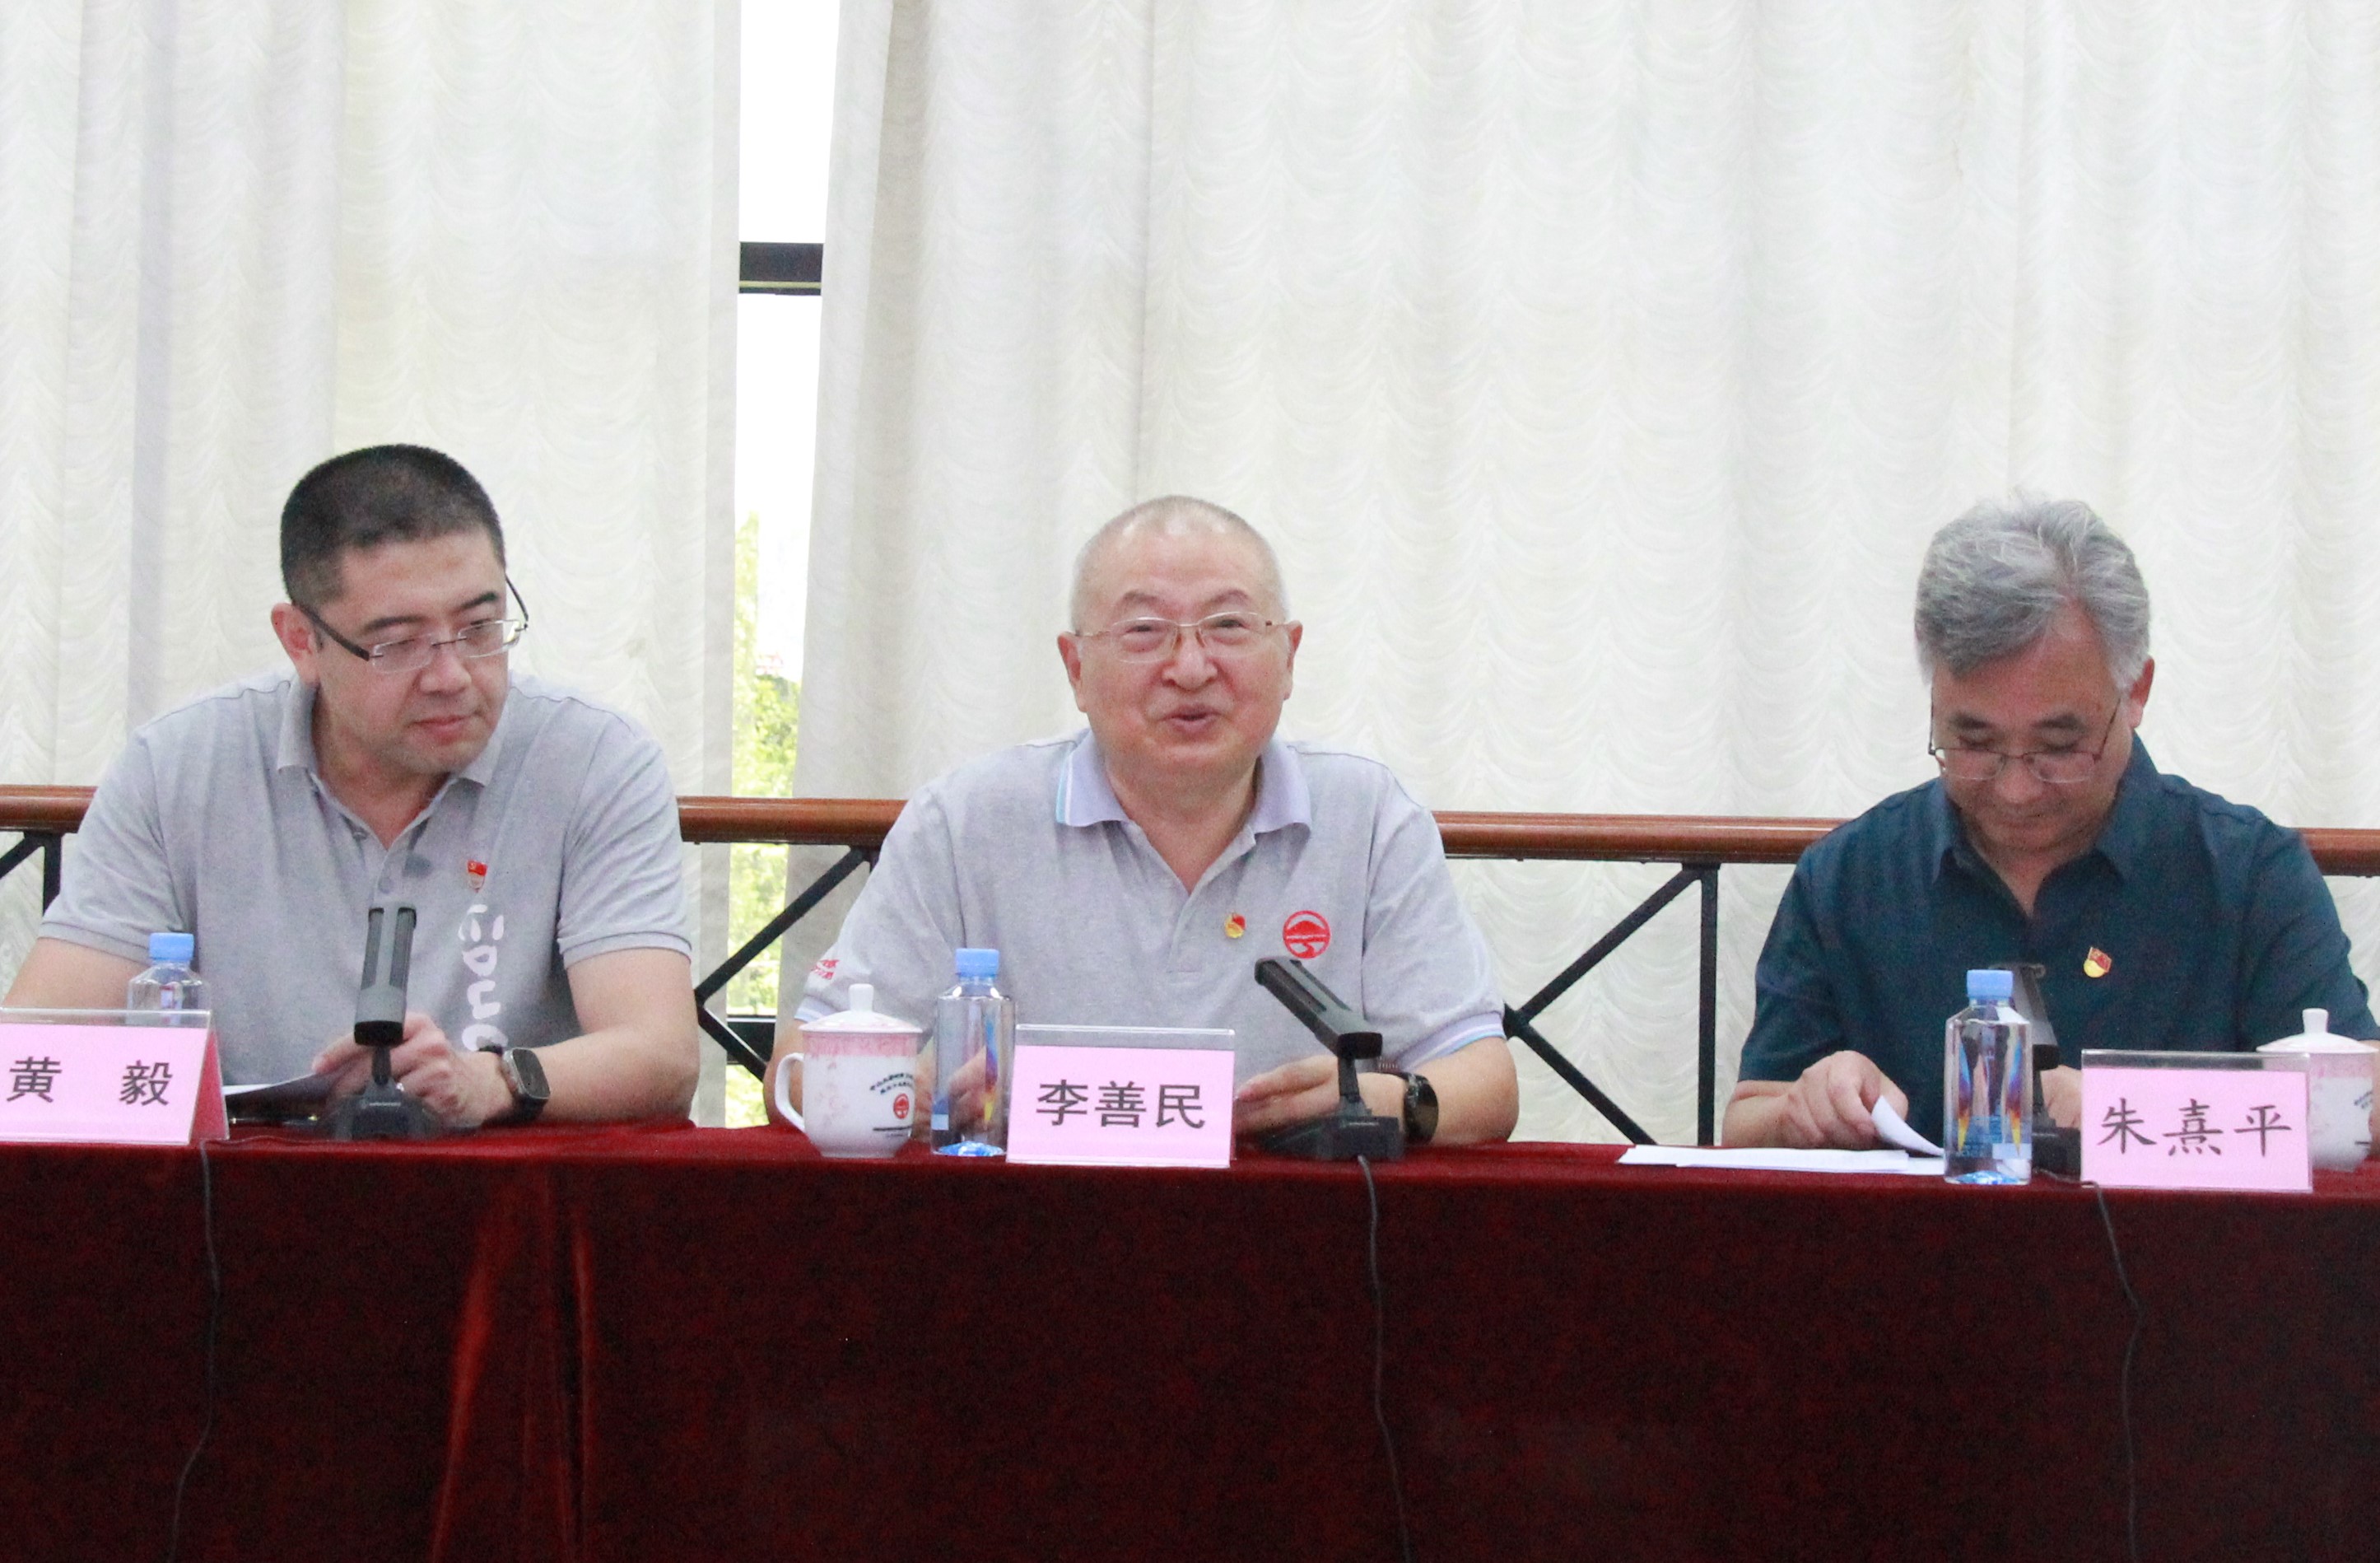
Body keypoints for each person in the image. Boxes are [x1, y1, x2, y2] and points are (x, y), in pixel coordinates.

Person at [774, 496, 1519, 1145]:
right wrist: (910, 1093)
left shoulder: (1369, 817)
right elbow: (800, 1067)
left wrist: (1390, 1100)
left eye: (1228, 625)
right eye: (1143, 632)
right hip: (1026, 1227)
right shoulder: (966, 820)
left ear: (1289, 656)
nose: (1190, 668)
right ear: (1075, 669)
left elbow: (1485, 1083)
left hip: (1298, 1230)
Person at [4, 445, 698, 1127]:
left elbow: (660, 1056)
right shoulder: (179, 765)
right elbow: (37, 1046)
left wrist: (490, 1081)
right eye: (399, 644)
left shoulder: (594, 759)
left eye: (479, 628)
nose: (452, 675)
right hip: (247, 1181)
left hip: (506, 1187)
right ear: (301, 641)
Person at [1727, 495, 2376, 1149]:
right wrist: (1803, 1109)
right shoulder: (1849, 875)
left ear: (2136, 691)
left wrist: (2131, 1111)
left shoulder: (2247, 875)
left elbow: (2363, 1110)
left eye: (2059, 747)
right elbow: (1745, 1121)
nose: (2014, 791)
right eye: (1974, 743)